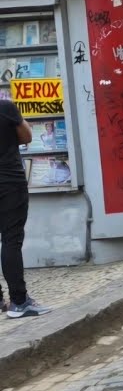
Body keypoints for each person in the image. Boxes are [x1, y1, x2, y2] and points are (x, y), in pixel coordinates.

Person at [0, 99, 50, 318]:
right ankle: (19, 302)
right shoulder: (5, 108)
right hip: (9, 183)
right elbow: (27, 136)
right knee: (11, 240)